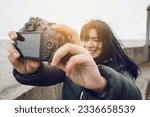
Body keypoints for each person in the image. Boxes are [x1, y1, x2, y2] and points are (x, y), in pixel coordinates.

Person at [7, 20, 142, 100]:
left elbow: (135, 97)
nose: (90, 45)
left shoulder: (120, 68)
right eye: (85, 39)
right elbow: (47, 75)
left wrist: (102, 85)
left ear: (107, 42)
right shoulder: (72, 64)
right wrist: (29, 71)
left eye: (97, 40)